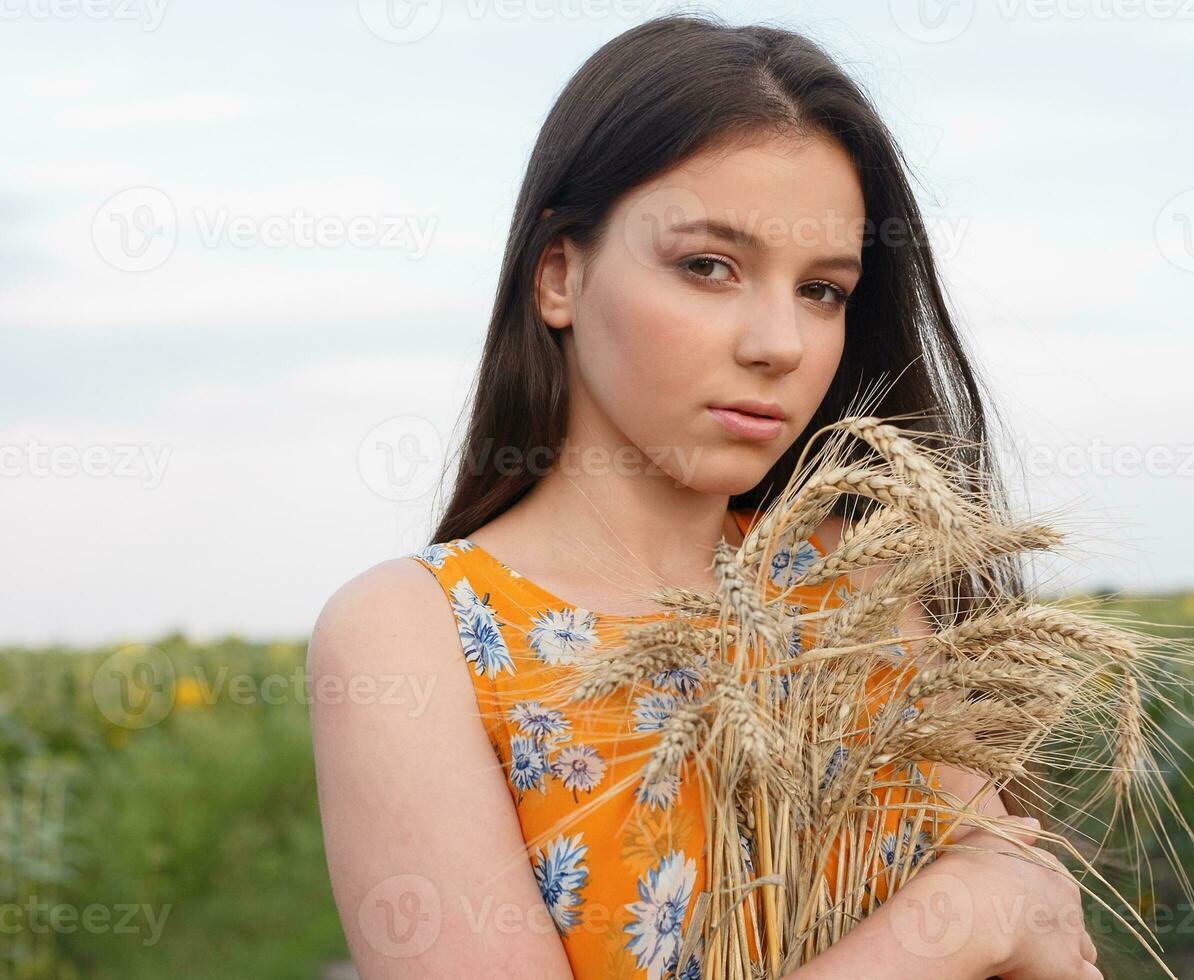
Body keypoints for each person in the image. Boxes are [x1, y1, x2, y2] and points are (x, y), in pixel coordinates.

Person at [309, 14, 1101, 979]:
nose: (779, 342)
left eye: (823, 289)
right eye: (708, 267)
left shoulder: (862, 589)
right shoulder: (413, 635)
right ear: (560, 274)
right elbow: (1002, 908)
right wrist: (969, 915)